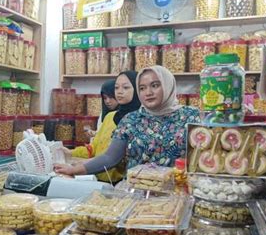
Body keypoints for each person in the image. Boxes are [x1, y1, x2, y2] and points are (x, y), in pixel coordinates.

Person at [54, 66, 200, 178]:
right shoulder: (131, 120)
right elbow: (110, 157)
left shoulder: (190, 117)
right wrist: (73, 169)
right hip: (136, 194)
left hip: (177, 193)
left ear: (168, 86)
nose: (148, 92)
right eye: (142, 88)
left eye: (155, 85)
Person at [62, 71, 141, 183]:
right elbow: (94, 147)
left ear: (137, 90)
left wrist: (82, 166)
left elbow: (114, 158)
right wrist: (71, 153)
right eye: (117, 88)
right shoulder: (110, 117)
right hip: (97, 177)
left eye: (126, 87)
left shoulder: (141, 121)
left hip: (123, 183)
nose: (119, 92)